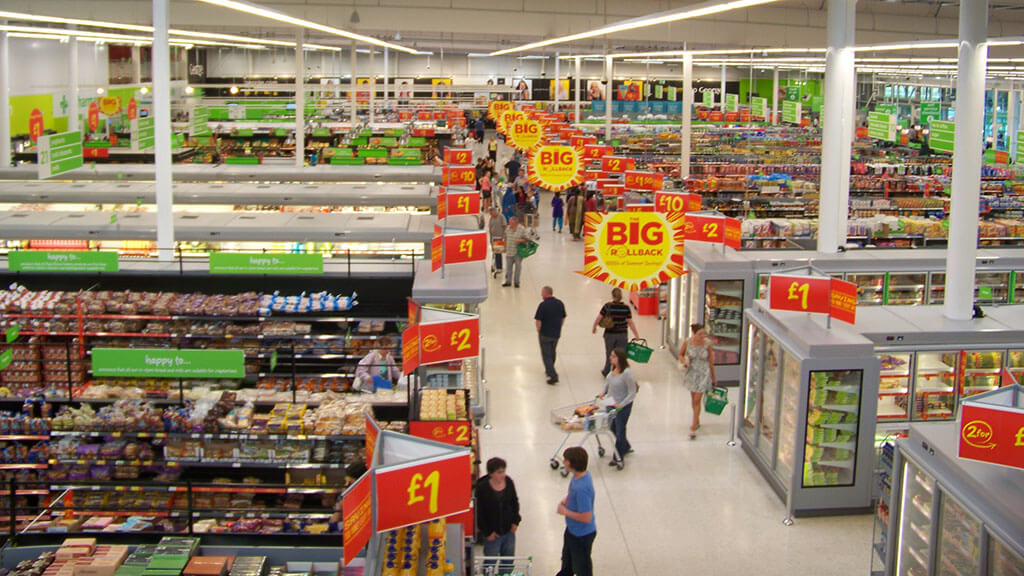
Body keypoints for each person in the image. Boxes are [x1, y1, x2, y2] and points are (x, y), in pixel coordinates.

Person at [474, 457, 521, 569]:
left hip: (508, 531)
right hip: (492, 535)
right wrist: (487, 532)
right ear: (491, 473)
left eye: (504, 471)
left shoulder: (508, 482)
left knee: (508, 562)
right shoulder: (482, 488)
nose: (503, 475)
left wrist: (515, 522)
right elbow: (479, 513)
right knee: (490, 563)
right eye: (499, 472)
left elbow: (514, 502)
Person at [556, 447, 596, 576]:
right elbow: (572, 492)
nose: (563, 462)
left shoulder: (582, 489)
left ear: (573, 464)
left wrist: (565, 511)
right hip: (572, 530)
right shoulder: (579, 476)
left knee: (582, 568)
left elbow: (586, 517)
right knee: (567, 562)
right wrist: (566, 499)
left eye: (566, 460)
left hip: (582, 536)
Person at [679, 323, 717, 440]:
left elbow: (711, 361)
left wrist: (713, 377)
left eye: (703, 333)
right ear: (694, 334)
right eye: (700, 334)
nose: (702, 336)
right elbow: (680, 354)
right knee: (693, 398)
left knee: (697, 399)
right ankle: (697, 419)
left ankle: (693, 427)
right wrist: (684, 362)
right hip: (692, 372)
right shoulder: (687, 342)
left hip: (704, 374)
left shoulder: (708, 344)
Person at [601, 347, 637, 465]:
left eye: (613, 356)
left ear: (620, 358)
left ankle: (618, 456)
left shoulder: (627, 373)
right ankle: (625, 445)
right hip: (610, 403)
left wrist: (621, 405)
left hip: (622, 406)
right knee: (612, 428)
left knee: (620, 429)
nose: (610, 358)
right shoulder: (613, 371)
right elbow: (608, 384)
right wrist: (603, 393)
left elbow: (632, 392)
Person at [592, 287, 640, 377]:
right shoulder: (626, 308)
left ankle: (607, 370)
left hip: (610, 334)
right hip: (622, 334)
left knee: (610, 353)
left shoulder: (607, 306)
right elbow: (630, 322)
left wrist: (594, 327)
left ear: (612, 296)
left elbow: (599, 318)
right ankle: (619, 371)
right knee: (621, 354)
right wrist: (636, 335)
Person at [534, 286, 566, 385]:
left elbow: (538, 320)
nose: (541, 295)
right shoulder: (560, 303)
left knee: (546, 354)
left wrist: (539, 330)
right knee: (552, 351)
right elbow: (563, 317)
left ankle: (553, 375)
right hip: (556, 333)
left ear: (545, 293)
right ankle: (550, 368)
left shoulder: (543, 305)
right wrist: (559, 327)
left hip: (545, 333)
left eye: (542, 293)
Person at [503, 217, 530, 288]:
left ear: (515, 223)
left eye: (510, 222)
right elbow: (505, 238)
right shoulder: (508, 228)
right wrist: (505, 247)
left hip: (518, 252)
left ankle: (516, 282)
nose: (509, 224)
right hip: (509, 251)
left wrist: (519, 240)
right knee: (508, 268)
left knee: (518, 268)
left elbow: (527, 239)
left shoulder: (522, 229)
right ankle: (508, 282)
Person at [488, 206, 506, 274]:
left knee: (498, 253)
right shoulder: (491, 218)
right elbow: (490, 228)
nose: (491, 215)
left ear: (495, 211)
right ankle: (495, 265)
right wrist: (490, 239)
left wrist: (504, 236)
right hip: (493, 238)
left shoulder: (501, 216)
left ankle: (499, 267)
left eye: (491, 213)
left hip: (499, 238)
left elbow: (505, 226)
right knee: (494, 253)